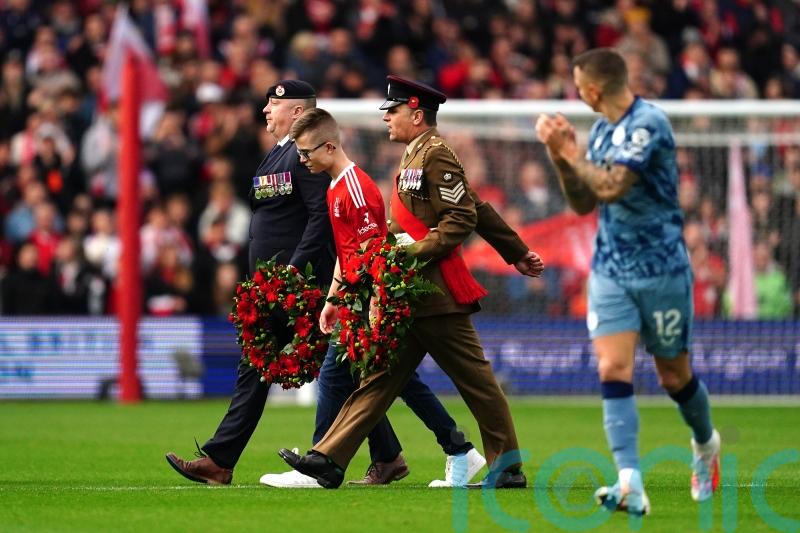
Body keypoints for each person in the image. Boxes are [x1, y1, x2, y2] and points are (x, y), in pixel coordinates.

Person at [279, 76, 543, 490]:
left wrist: (406, 254)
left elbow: (462, 217)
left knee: (477, 383)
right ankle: (327, 459)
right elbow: (474, 205)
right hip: (411, 293)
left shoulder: (435, 154)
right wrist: (517, 251)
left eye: (394, 111)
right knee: (378, 378)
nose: (387, 118)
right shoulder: (415, 155)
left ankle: (507, 467)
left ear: (416, 115)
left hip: (437, 295)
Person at [535, 48, 720, 516]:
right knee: (613, 369)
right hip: (611, 272)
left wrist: (572, 153)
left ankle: (705, 444)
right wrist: (561, 157)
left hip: (662, 271)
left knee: (672, 375)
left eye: (579, 87)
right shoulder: (599, 133)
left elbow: (614, 184)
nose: (578, 95)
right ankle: (630, 483)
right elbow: (583, 202)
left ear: (594, 89)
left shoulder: (648, 124)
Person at [261, 107, 485, 489]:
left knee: (339, 377)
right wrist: (333, 299)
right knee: (390, 381)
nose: (301, 160)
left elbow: (373, 252)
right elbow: (345, 254)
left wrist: (375, 303)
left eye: (306, 153)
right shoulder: (335, 186)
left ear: (329, 147)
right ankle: (443, 449)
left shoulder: (357, 191)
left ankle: (320, 464)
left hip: (369, 300)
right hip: (353, 299)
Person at [165, 80, 336, 485]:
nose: (265, 111)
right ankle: (220, 460)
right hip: (271, 286)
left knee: (348, 369)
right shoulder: (276, 153)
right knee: (258, 366)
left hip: (301, 286)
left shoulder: (305, 155)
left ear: (297, 113)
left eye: (273, 104)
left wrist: (295, 269)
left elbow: (320, 216)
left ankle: (397, 452)